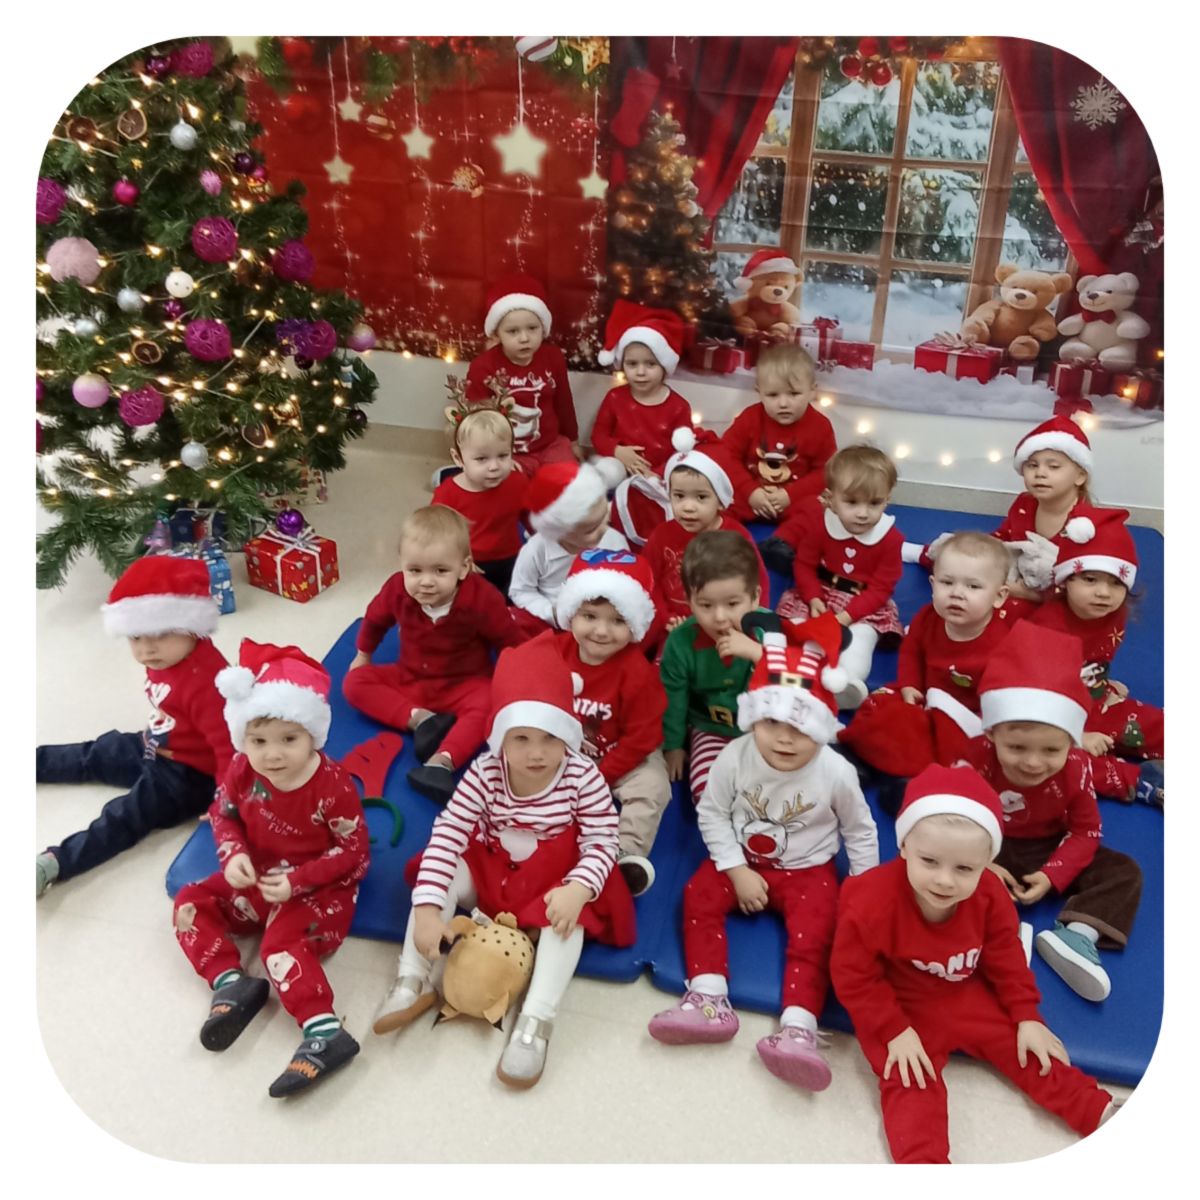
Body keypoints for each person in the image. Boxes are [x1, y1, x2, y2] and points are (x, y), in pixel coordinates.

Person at [372, 638, 635, 1089]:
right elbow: (449, 831)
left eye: (550, 737)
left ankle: (536, 1020)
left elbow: (602, 840)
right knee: (440, 875)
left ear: (568, 735)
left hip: (553, 879)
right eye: (522, 738)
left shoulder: (583, 775)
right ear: (501, 738)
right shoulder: (485, 770)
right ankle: (411, 979)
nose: (537, 753)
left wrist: (577, 889)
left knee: (567, 923)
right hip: (494, 869)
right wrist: (429, 910)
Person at [831, 764, 1118, 1163]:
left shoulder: (990, 896)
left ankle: (1099, 1112)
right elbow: (853, 975)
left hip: (963, 994)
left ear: (987, 863)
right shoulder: (869, 901)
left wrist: (1027, 1015)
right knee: (910, 1080)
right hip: (897, 1005)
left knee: (1030, 1051)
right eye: (929, 861)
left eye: (964, 868)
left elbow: (1005, 956)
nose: (945, 880)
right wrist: (893, 1030)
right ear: (903, 847)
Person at [649, 612, 878, 1092]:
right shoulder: (735, 756)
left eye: (800, 726)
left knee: (817, 933)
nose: (785, 738)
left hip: (808, 870)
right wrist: (735, 871)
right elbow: (713, 813)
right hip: (742, 860)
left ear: (822, 727)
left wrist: (864, 890)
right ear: (753, 718)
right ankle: (708, 998)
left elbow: (860, 832)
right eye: (771, 722)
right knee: (697, 897)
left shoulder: (836, 773)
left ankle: (799, 1028)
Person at [173, 640, 369, 1098]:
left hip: (319, 891)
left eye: (288, 740)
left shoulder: (332, 786)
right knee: (189, 902)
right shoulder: (242, 768)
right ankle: (230, 984)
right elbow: (223, 814)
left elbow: (355, 853)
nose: (272, 754)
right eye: (258, 741)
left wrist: (298, 881)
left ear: (313, 735)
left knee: (278, 947)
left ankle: (324, 1030)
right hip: (260, 879)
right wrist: (234, 855)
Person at [959, 621, 1145, 1003]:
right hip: (983, 841)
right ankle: (997, 937)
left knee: (1124, 872)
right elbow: (950, 814)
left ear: (1072, 743)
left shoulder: (1077, 767)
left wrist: (1051, 874)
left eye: (1051, 751)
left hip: (1045, 846)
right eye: (1017, 748)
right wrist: (980, 862)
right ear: (991, 734)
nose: (1033, 763)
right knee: (940, 869)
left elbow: (1086, 831)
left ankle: (1076, 936)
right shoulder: (975, 757)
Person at [36, 556, 231, 897]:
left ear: (191, 625)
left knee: (126, 814)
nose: (146, 649)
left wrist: (227, 801)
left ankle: (56, 863)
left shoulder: (207, 682)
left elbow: (230, 748)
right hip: (157, 744)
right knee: (98, 752)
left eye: (160, 634)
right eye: (136, 637)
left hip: (189, 776)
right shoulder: (168, 655)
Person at [343, 505, 522, 805]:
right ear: (401, 565)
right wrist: (363, 654)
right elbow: (375, 620)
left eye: (440, 571)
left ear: (463, 568)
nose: (426, 581)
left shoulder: (482, 598)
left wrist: (514, 684)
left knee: (492, 704)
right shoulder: (397, 589)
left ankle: (441, 763)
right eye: (415, 570)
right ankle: (422, 720)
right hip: (411, 679)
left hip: (464, 683)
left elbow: (509, 641)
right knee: (353, 683)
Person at [839, 531, 1015, 788]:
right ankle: (862, 756)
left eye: (973, 587)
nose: (957, 594)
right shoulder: (928, 617)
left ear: (999, 597)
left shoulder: (1002, 643)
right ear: (932, 584)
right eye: (947, 583)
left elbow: (999, 696)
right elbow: (912, 651)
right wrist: (910, 684)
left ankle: (912, 780)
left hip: (963, 712)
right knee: (882, 708)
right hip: (921, 693)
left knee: (956, 747)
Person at [545, 548, 669, 896]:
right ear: (570, 613)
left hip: (624, 754)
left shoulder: (638, 674)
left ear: (635, 626)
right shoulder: (551, 652)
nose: (601, 631)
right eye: (590, 616)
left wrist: (604, 773)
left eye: (617, 621)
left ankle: (623, 854)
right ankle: (538, 842)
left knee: (653, 787)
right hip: (564, 752)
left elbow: (643, 737)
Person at [1028, 507, 1163, 805]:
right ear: (1066, 581)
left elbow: (1090, 659)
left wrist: (1102, 681)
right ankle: (1140, 782)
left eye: (1116, 583)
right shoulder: (1047, 628)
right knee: (1055, 764)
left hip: (1097, 704)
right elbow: (1033, 697)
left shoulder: (1114, 615)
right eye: (1090, 580)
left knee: (1157, 725)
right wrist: (1077, 735)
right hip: (1049, 722)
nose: (1104, 592)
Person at [903, 416, 1101, 600]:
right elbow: (1004, 538)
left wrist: (1020, 591)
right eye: (1032, 465)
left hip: (1047, 592)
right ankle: (924, 554)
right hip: (1013, 569)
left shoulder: (1085, 525)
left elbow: (1079, 584)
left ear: (1080, 476)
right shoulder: (1025, 503)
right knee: (966, 554)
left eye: (1053, 467)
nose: (1040, 473)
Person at [773, 445, 906, 708]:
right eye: (852, 502)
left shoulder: (891, 538)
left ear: (887, 500)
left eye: (874, 503)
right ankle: (797, 672)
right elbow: (804, 564)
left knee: (860, 640)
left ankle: (847, 683)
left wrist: (847, 616)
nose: (863, 513)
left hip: (864, 603)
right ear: (831, 499)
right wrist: (812, 597)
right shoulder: (821, 525)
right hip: (822, 593)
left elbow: (881, 588)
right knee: (797, 627)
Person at [660, 531, 772, 803]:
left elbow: (797, 678)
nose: (720, 617)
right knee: (707, 790)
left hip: (767, 726)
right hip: (711, 727)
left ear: (755, 597)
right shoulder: (681, 643)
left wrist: (758, 654)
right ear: (689, 601)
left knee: (775, 786)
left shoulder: (771, 630)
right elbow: (673, 698)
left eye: (732, 604)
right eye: (706, 605)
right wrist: (673, 745)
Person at [642, 427, 769, 642]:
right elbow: (648, 580)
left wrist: (753, 622)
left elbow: (758, 581)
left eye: (701, 497)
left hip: (723, 623)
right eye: (679, 496)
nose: (688, 507)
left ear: (720, 500)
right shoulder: (662, 535)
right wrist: (665, 616)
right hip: (674, 625)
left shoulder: (735, 536)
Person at [589, 300, 695, 547]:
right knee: (604, 471)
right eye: (632, 364)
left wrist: (656, 473)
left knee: (656, 492)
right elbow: (599, 435)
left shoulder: (678, 406)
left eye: (650, 364)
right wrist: (617, 451)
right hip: (619, 465)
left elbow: (682, 452)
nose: (640, 372)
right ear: (622, 364)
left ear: (664, 366)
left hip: (655, 475)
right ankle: (598, 516)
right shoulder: (615, 397)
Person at [463, 274, 580, 473]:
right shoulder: (483, 366)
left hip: (550, 445)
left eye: (532, 328)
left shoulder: (553, 358)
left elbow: (564, 402)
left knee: (570, 481)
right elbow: (475, 419)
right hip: (507, 452)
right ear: (497, 334)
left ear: (543, 328)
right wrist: (491, 456)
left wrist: (573, 441)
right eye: (513, 331)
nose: (524, 338)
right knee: (507, 485)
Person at [508, 459, 630, 640]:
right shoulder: (537, 549)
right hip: (550, 620)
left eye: (605, 520)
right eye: (590, 530)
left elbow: (625, 584)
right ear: (560, 532)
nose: (603, 530)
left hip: (599, 620)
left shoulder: (614, 541)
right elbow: (520, 591)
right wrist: (551, 612)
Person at [719, 342, 836, 525]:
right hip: (750, 496)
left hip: (794, 500)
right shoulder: (750, 418)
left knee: (818, 512)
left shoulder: (821, 426)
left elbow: (825, 472)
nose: (783, 403)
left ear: (812, 391)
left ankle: (784, 540)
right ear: (759, 392)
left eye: (794, 394)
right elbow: (725, 457)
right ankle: (727, 538)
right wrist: (750, 491)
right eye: (773, 395)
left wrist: (790, 494)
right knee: (718, 503)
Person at [433, 402, 528, 599]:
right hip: (469, 564)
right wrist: (457, 560)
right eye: (481, 459)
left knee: (509, 601)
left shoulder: (518, 482)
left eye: (503, 456)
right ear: (458, 458)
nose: (494, 466)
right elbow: (438, 534)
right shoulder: (448, 494)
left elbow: (532, 517)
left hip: (511, 559)